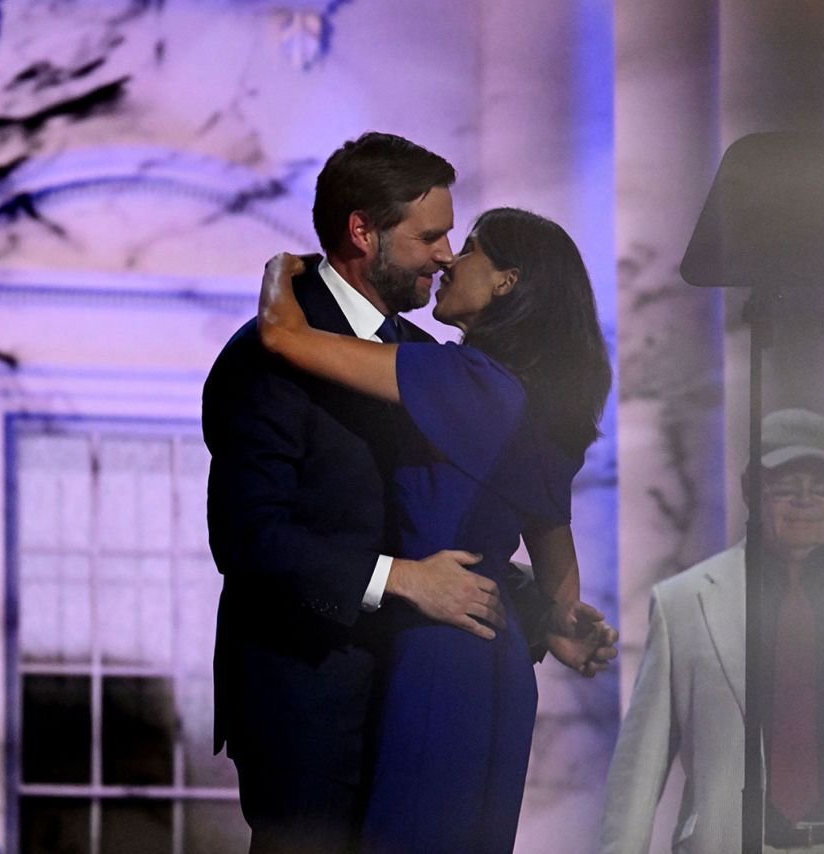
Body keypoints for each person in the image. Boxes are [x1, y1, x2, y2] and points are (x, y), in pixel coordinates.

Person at [203, 133, 615, 854]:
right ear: (364, 231)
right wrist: (402, 581)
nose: (446, 253)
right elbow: (247, 538)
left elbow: (447, 523)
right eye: (430, 235)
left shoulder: (433, 364)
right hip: (310, 711)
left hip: (419, 695)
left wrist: (530, 608)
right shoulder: (261, 358)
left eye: (454, 237)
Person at [600, 409, 824, 854]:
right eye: (787, 488)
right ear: (749, 490)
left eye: (822, 489)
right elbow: (641, 764)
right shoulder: (686, 600)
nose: (806, 502)